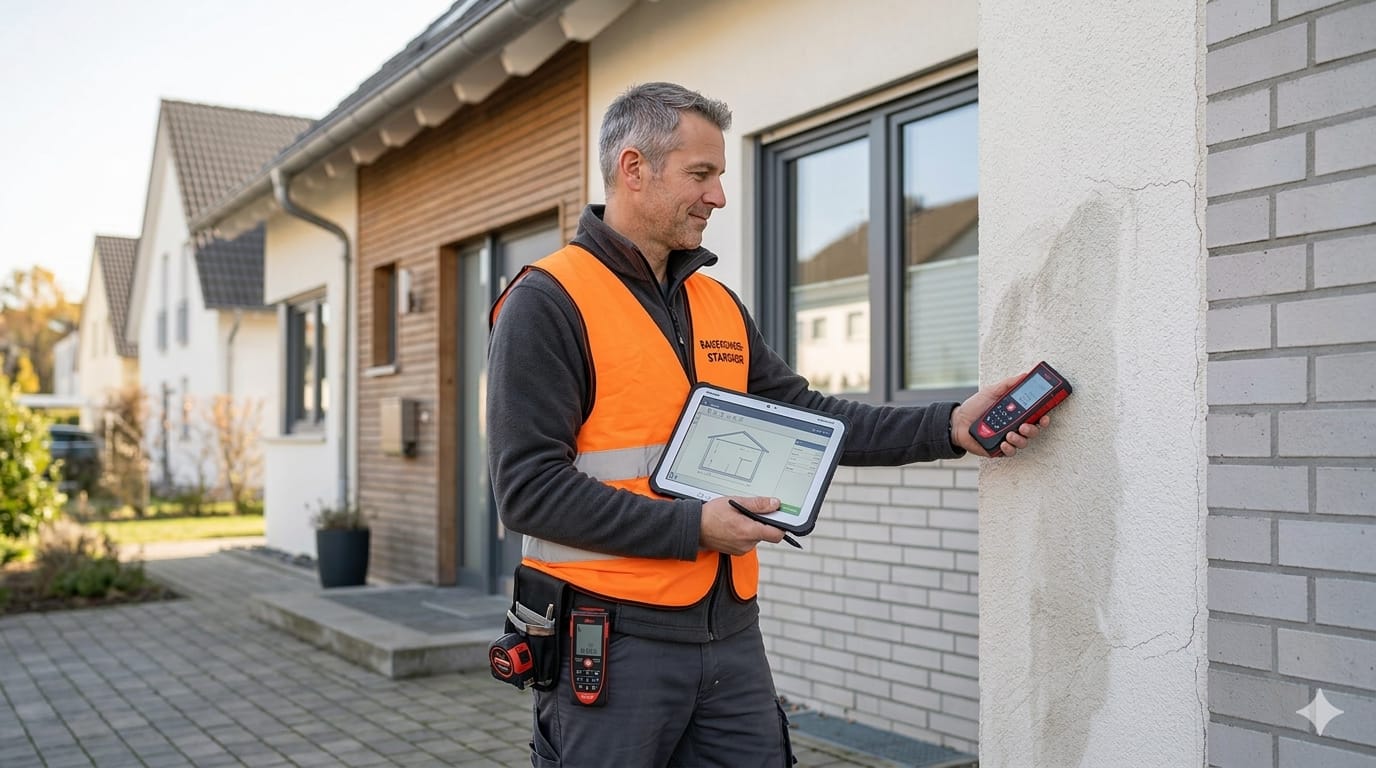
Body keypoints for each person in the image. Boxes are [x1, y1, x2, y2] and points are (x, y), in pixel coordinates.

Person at [487, 82, 1049, 768]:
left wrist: (950, 425)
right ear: (634, 169)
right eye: (701, 174)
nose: (718, 196)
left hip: (728, 639)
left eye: (718, 175)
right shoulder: (548, 301)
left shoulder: (715, 303)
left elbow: (806, 416)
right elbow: (528, 491)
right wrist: (694, 526)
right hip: (611, 642)